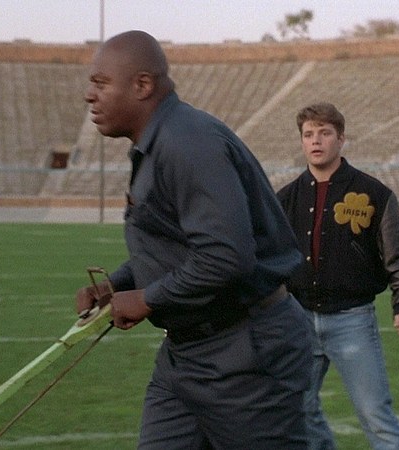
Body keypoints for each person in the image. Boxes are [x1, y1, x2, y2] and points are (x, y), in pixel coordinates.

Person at [75, 30, 313, 449]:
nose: (89, 95)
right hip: (187, 353)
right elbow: (180, 244)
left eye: (101, 83)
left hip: (244, 354)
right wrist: (120, 283)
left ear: (142, 85)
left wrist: (147, 298)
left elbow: (226, 256)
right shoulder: (162, 141)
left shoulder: (187, 142)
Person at [277, 103, 399, 450]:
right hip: (298, 320)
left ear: (341, 139)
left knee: (375, 415)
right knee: (299, 411)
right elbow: (270, 259)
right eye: (308, 134)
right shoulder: (284, 198)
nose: (316, 141)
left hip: (352, 320)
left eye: (324, 133)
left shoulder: (374, 194)